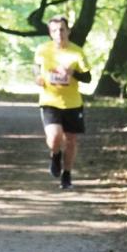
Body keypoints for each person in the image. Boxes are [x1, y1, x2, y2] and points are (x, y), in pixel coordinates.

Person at [33, 15, 91, 189]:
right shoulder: (43, 50)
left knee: (71, 141)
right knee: (54, 136)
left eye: (62, 30)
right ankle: (55, 155)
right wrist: (37, 77)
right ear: (50, 33)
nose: (59, 33)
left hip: (72, 102)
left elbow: (88, 77)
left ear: (68, 31)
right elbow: (36, 66)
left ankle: (67, 175)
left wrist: (72, 73)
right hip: (50, 100)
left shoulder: (77, 52)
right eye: (55, 30)